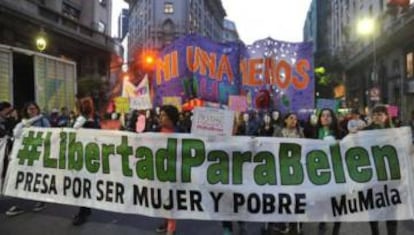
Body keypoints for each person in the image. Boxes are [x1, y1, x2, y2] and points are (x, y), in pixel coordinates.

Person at [6, 102, 50, 216]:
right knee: (22, 179)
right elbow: (16, 134)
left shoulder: (43, 121)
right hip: (25, 156)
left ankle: (41, 201)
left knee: (38, 179)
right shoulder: (22, 123)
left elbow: (50, 135)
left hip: (39, 155)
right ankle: (19, 204)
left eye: (34, 108)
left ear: (37, 109)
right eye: (29, 109)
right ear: (26, 111)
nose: (32, 111)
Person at [363, 105, 397, 235]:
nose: (377, 117)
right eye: (375, 114)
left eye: (380, 114)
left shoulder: (394, 132)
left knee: (392, 210)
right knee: (373, 209)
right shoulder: (365, 131)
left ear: (386, 116)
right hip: (372, 177)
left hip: (390, 177)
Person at [71, 97, 101, 226]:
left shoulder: (92, 120)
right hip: (82, 156)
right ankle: (85, 210)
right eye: (83, 105)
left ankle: (83, 212)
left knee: (84, 185)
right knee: (83, 184)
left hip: (89, 156)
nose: (85, 107)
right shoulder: (83, 120)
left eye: (86, 105)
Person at [316, 108, 342, 235]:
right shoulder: (313, 132)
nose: (325, 118)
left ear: (333, 118)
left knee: (337, 203)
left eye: (328, 115)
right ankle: (322, 225)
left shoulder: (341, 133)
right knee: (322, 201)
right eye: (323, 116)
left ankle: (336, 230)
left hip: (337, 173)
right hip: (320, 173)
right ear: (320, 118)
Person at [155, 105, 180, 235]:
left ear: (171, 119)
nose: (160, 117)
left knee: (171, 201)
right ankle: (166, 222)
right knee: (163, 199)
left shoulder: (179, 135)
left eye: (163, 115)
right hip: (160, 173)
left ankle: (171, 228)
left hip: (172, 173)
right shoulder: (156, 131)